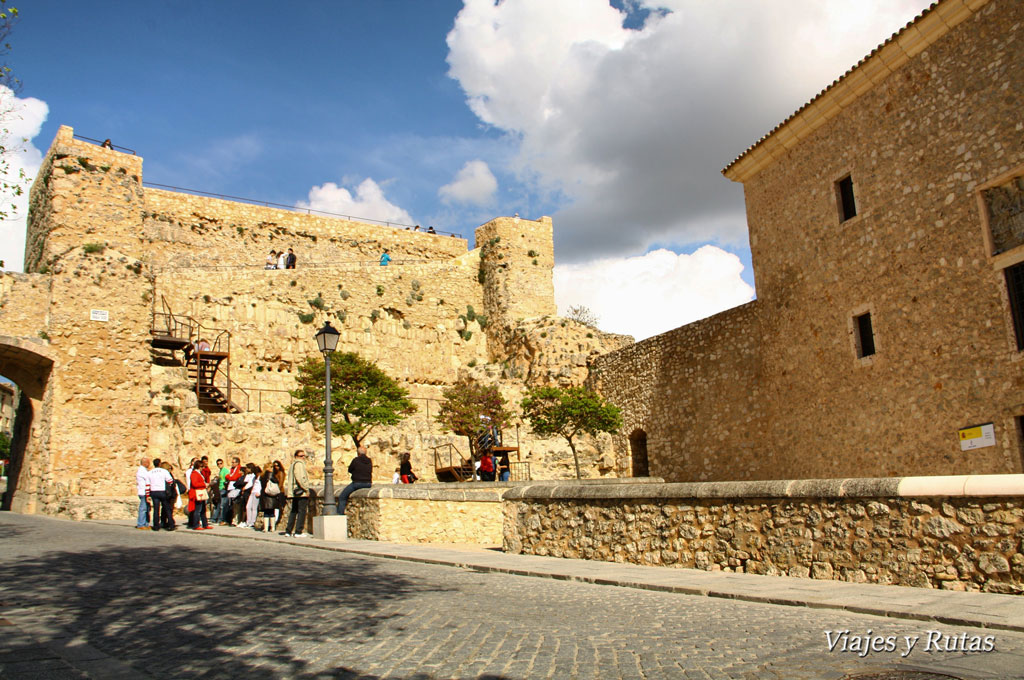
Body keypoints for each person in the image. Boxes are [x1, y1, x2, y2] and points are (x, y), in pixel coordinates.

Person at [282, 450, 310, 537]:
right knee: (301, 511)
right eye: (301, 456)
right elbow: (300, 478)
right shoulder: (299, 464)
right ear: (296, 456)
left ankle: (288, 530)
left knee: (294, 511)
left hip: (294, 492)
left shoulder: (292, 465)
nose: (303, 457)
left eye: (304, 456)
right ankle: (298, 531)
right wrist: (306, 489)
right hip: (300, 492)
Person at [337, 446, 372, 514]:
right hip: (368, 483)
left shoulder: (356, 460)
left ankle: (339, 515)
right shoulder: (369, 461)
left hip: (357, 483)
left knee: (342, 497)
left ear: (358, 453)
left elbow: (350, 469)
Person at [148, 459, 174, 531]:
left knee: (156, 509)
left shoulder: (150, 472)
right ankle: (171, 525)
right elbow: (170, 481)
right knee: (167, 508)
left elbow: (147, 484)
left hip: (153, 491)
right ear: (159, 464)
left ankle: (156, 526)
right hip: (162, 491)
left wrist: (148, 494)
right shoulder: (164, 471)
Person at [220, 457, 243, 525]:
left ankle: (232, 520)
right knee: (228, 505)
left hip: (234, 488)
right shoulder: (232, 469)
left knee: (234, 505)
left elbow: (234, 477)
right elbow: (229, 476)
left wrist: (229, 477)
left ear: (237, 463)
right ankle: (228, 519)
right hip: (230, 488)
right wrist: (229, 477)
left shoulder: (239, 469)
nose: (232, 464)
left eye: (233, 462)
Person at [189, 462, 210, 530]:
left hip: (201, 492)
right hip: (197, 493)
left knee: (203, 509)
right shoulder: (194, 474)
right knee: (198, 510)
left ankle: (205, 524)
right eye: (202, 467)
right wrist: (204, 485)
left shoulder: (199, 473)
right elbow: (195, 484)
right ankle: (196, 525)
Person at [244, 463, 262, 528]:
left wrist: (259, 492)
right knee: (248, 507)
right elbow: (251, 484)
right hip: (252, 492)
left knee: (254, 508)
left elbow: (261, 486)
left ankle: (252, 522)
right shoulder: (255, 477)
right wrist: (245, 488)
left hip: (257, 492)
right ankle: (248, 521)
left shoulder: (260, 477)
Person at [136, 457, 152, 529]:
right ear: (145, 463)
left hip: (145, 491)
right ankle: (141, 524)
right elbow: (148, 479)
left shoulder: (144, 470)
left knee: (147, 508)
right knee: (143, 508)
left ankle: (145, 523)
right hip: (143, 492)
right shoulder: (142, 471)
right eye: (148, 463)